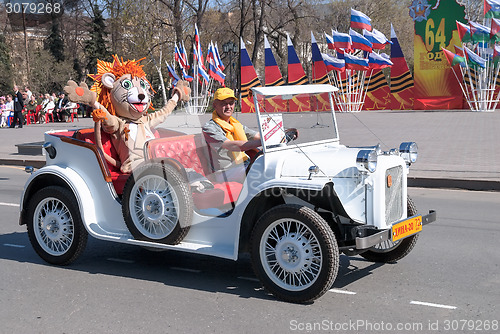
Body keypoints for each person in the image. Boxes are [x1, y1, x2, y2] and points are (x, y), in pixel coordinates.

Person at [202, 87, 261, 183]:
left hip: (242, 165)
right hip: (224, 172)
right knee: (260, 172)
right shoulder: (209, 128)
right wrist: (261, 142)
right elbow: (232, 145)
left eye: (231, 103)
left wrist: (279, 135)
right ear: (215, 105)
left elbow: (257, 136)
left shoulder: (235, 124)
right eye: (223, 104)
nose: (228, 107)